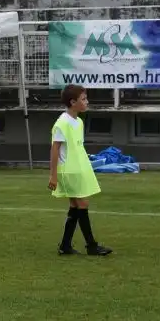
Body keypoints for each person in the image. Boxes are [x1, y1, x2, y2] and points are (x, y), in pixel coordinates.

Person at [47, 85, 112, 256]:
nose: (86, 102)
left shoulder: (79, 122)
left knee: (76, 206)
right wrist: (53, 175)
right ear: (73, 102)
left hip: (79, 168)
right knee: (82, 204)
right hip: (69, 170)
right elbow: (55, 149)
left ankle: (65, 245)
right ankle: (91, 245)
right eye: (83, 99)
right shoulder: (62, 123)